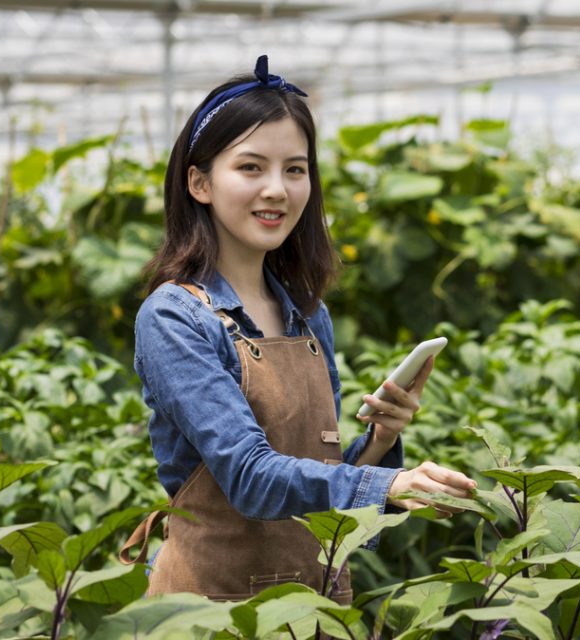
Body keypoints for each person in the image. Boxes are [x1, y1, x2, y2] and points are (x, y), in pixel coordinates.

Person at [119, 55, 475, 603]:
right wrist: (388, 487)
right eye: (250, 167)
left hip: (317, 601)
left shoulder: (308, 316)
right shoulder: (174, 318)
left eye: (295, 168)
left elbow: (317, 477)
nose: (277, 190)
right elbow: (250, 478)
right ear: (199, 182)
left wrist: (380, 442)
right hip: (213, 611)